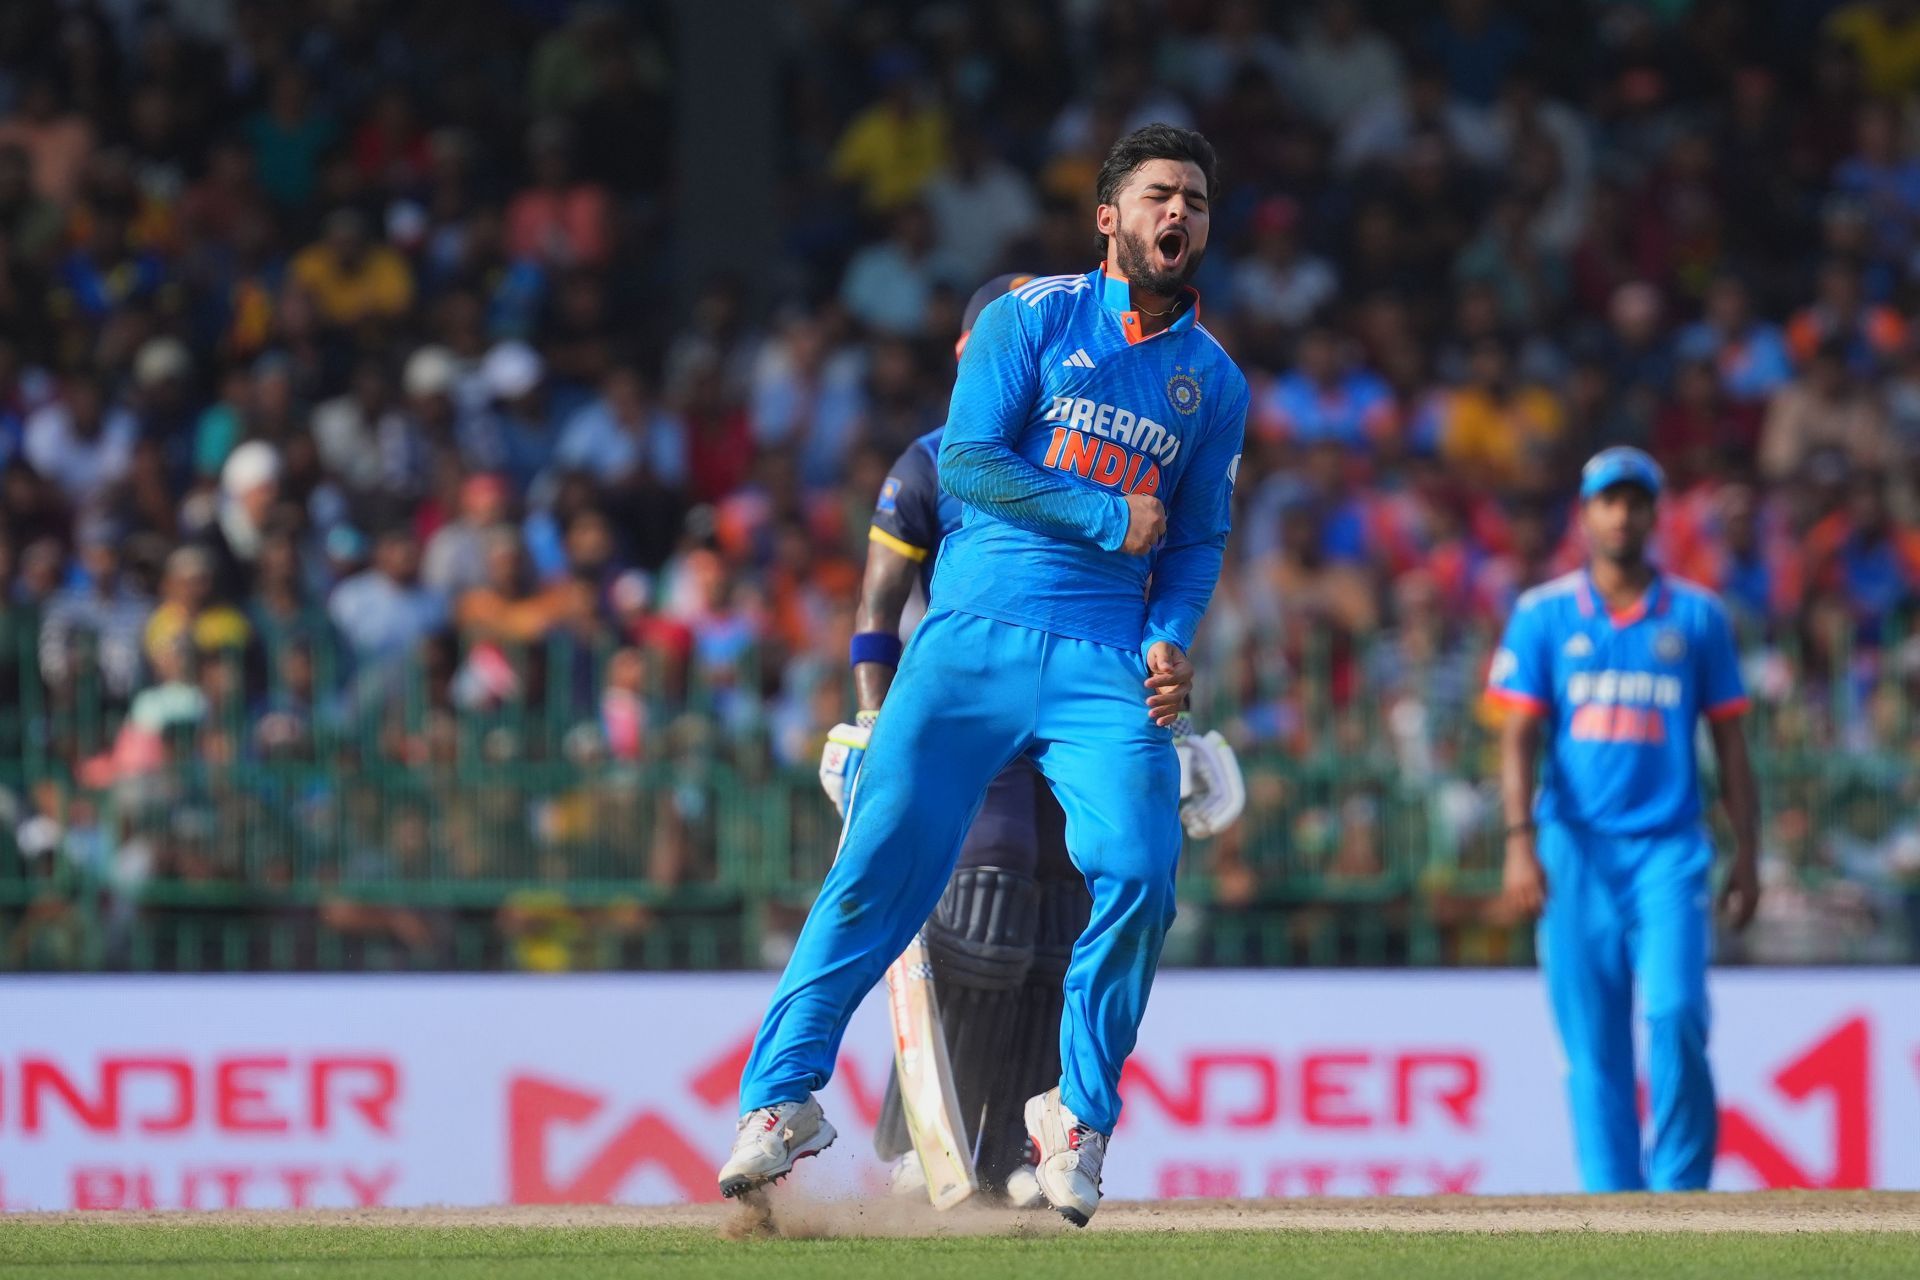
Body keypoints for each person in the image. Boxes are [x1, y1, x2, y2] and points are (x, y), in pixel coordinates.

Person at [720, 125, 1248, 1226]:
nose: (1180, 213)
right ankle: (781, 1102)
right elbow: (967, 460)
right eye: (1159, 193)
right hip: (971, 638)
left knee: (1144, 868)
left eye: (1195, 198)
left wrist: (1171, 634)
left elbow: (1195, 541)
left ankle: (1074, 1114)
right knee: (878, 868)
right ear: (1109, 215)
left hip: (1108, 656)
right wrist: (1109, 512)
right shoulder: (1030, 317)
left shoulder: (1214, 381)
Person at [818, 274, 1245, 1205]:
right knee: (980, 914)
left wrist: (1180, 719)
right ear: (973, 353)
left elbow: (1163, 578)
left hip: (1089, 713)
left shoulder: (1110, 454)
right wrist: (874, 717)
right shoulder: (935, 459)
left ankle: (1022, 1149)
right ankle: (916, 1146)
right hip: (973, 714)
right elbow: (877, 608)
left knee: (1063, 924)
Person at [1488, 446, 1762, 1193]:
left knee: (1675, 1014)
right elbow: (1518, 737)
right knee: (1593, 1045)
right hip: (1573, 849)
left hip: (1669, 848)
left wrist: (1749, 856)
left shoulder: (1698, 616)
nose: (1622, 514)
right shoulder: (1543, 614)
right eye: (1608, 501)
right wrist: (1519, 845)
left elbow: (1731, 745)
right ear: (1585, 515)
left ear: (1655, 514)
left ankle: (1680, 1195)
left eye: (1636, 501)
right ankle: (1614, 1208)